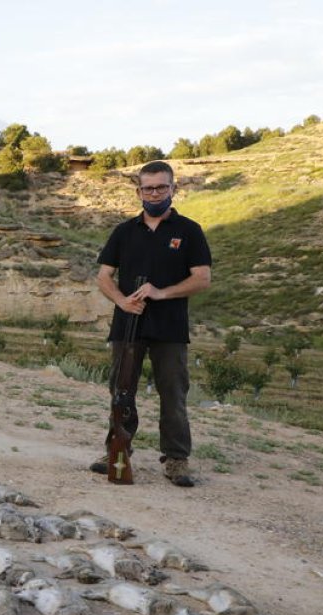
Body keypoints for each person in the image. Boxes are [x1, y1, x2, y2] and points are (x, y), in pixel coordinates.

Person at [91, 160, 211, 487]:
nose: (155, 193)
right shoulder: (124, 231)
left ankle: (176, 460)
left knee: (173, 394)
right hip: (127, 327)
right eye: (148, 188)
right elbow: (104, 277)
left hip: (170, 328)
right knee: (121, 393)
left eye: (161, 187)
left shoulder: (189, 231)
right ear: (138, 191)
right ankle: (116, 452)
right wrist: (121, 301)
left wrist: (162, 293)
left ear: (173, 189)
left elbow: (202, 279)